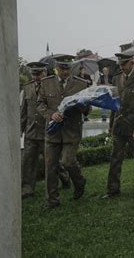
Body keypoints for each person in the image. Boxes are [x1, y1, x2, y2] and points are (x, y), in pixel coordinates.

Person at [37, 55, 90, 208]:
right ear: (56, 68)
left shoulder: (81, 84)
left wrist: (83, 106)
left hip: (71, 131)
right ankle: (52, 200)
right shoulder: (46, 83)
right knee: (50, 166)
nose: (65, 72)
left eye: (68, 68)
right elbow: (41, 104)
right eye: (62, 68)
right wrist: (50, 114)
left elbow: (87, 109)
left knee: (67, 161)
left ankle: (79, 182)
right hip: (53, 131)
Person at [20, 62, 70, 199]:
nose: (36, 77)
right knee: (28, 161)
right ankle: (27, 190)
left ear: (45, 73)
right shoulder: (27, 87)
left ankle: (65, 178)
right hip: (31, 132)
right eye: (34, 74)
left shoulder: (52, 86)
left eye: (39, 74)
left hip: (47, 131)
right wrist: (20, 128)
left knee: (52, 162)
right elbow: (24, 110)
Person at [104, 50, 134, 198]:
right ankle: (113, 190)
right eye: (120, 64)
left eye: (124, 64)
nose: (121, 67)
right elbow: (114, 103)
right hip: (119, 126)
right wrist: (111, 124)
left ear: (132, 63)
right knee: (115, 158)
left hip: (133, 126)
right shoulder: (116, 78)